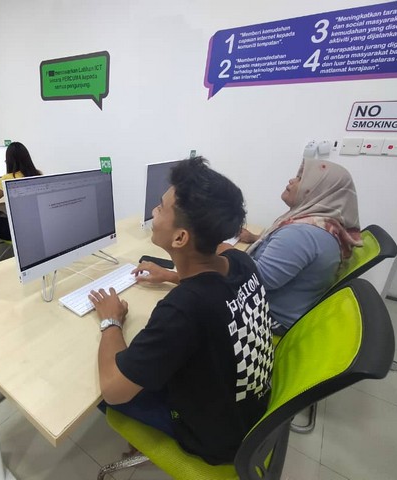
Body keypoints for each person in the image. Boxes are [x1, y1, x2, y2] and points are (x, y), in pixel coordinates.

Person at [89, 157, 273, 465]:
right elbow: (214, 281)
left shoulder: (184, 309)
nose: (153, 211)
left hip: (218, 439)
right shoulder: (242, 262)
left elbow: (112, 390)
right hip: (249, 407)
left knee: (98, 395)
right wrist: (172, 274)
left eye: (161, 208)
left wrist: (111, 321)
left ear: (180, 237)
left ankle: (149, 438)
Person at [239, 158, 362, 334]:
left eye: (301, 178)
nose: (292, 180)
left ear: (320, 189)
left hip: (271, 317)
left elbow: (261, 279)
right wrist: (256, 238)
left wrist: (226, 252)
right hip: (294, 309)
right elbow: (297, 253)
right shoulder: (323, 225)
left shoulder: (301, 233)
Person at [0, 141, 42, 240]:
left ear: (9, 161)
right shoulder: (38, 174)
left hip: (18, 230)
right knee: (0, 214)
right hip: (36, 225)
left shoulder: (8, 178)